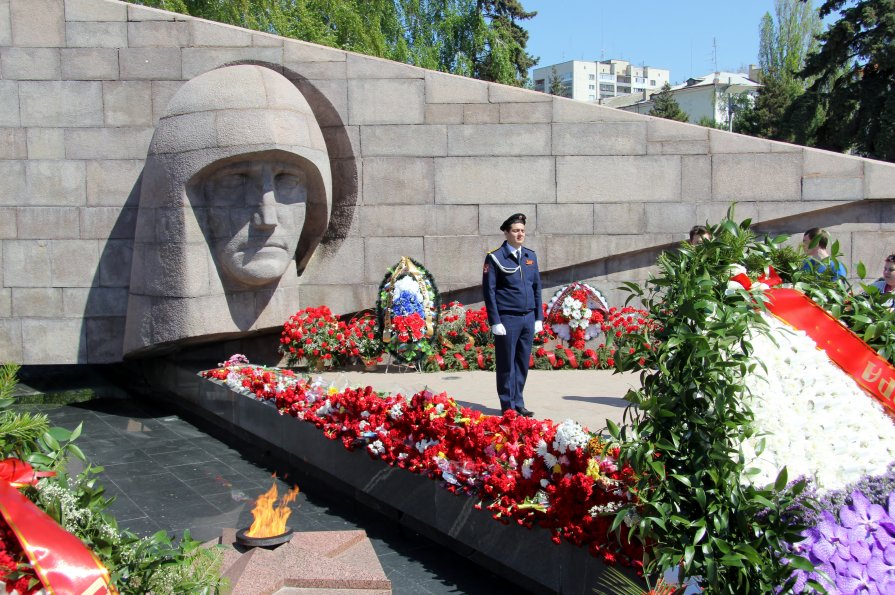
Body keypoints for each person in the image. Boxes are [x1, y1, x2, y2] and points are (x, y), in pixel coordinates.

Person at [482, 213, 543, 417]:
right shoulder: (495, 257)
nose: (520, 234)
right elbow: (489, 291)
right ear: (506, 232)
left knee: (522, 363)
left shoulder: (530, 256)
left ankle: (519, 402)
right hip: (507, 319)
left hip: (527, 317)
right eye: (516, 230)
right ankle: (508, 405)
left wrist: (539, 317)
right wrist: (495, 321)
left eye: (522, 231)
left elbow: (537, 288)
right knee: (507, 364)